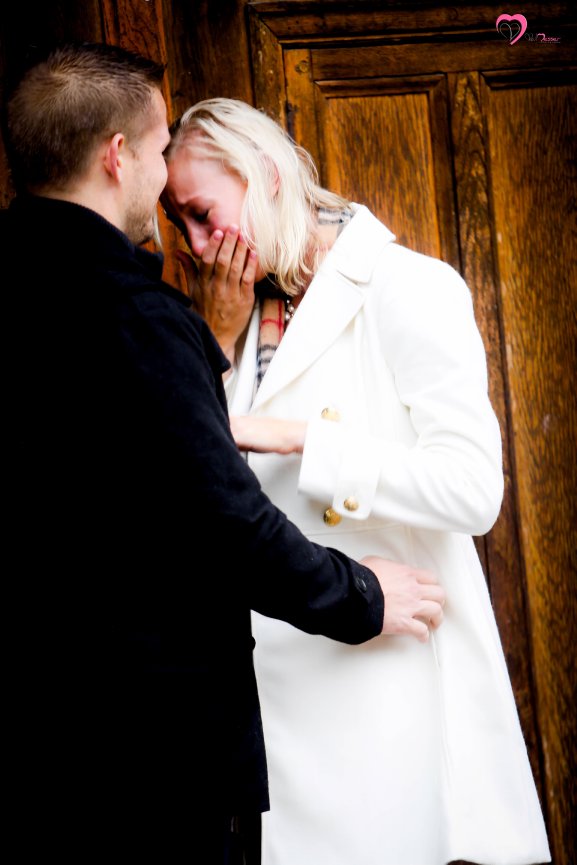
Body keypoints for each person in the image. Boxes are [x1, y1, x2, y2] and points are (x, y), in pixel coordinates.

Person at [1, 46, 447, 861]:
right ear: (117, 155)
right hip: (148, 756)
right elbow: (219, 517)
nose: (188, 230)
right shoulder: (138, 315)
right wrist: (359, 594)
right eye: (160, 143)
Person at [162, 97, 551, 865]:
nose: (201, 247)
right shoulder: (233, 313)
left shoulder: (407, 287)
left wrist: (306, 439)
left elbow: (473, 489)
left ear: (266, 174)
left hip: (381, 683)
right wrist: (218, 339)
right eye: (183, 227)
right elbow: (204, 486)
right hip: (273, 707)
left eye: (205, 214)